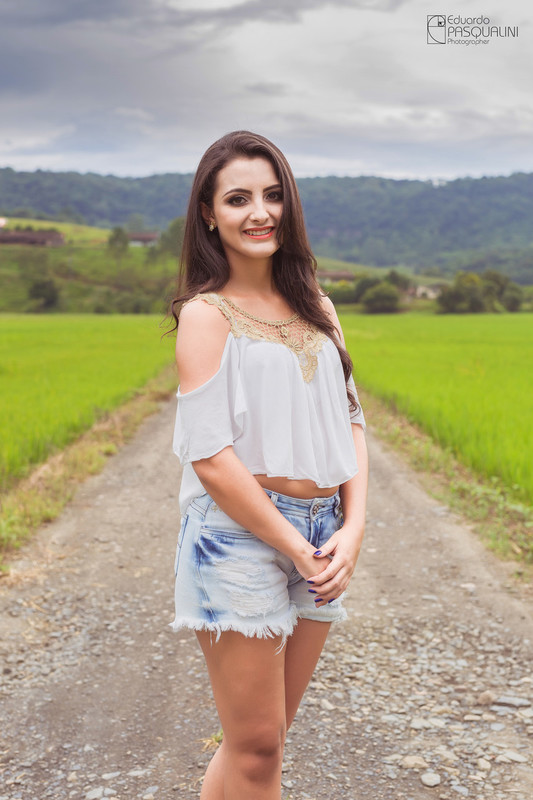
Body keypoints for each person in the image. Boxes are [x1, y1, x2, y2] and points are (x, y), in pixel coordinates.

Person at [170, 130, 368, 800]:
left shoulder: (318, 307)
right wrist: (290, 542)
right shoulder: (205, 315)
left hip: (322, 530)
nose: (260, 211)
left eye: (273, 194)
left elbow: (350, 421)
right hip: (238, 534)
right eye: (238, 198)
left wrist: (352, 527)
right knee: (256, 747)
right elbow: (210, 457)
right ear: (208, 214)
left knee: (262, 740)